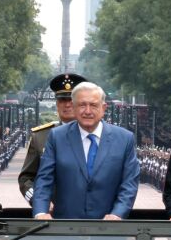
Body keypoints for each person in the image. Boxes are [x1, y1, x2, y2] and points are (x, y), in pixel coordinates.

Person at [31, 82, 139, 220]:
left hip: (110, 231)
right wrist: (40, 212)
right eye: (82, 105)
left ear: (103, 108)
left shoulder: (124, 139)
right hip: (65, 229)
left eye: (93, 105)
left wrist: (117, 214)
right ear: (74, 107)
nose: (87, 111)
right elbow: (44, 179)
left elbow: (129, 184)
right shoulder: (57, 137)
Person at [19, 72, 85, 204]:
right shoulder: (41, 136)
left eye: (71, 100)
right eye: (62, 100)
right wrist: (38, 200)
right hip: (52, 213)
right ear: (56, 104)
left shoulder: (95, 134)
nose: (67, 105)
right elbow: (26, 178)